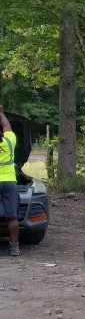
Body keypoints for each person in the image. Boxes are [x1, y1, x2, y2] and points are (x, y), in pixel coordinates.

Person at [0, 106, 20, 256]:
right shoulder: (8, 141)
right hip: (9, 182)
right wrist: (0, 112)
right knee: (11, 216)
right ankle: (14, 247)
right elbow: (7, 126)